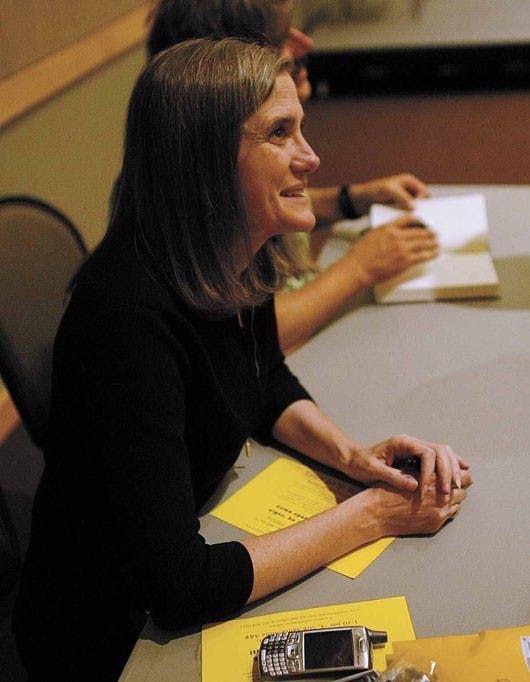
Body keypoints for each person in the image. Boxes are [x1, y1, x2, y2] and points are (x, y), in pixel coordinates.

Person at [13, 38, 470, 681]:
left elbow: (263, 378)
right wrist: (370, 515)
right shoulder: (124, 323)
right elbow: (179, 587)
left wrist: (351, 458)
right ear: (205, 164)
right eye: (280, 133)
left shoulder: (232, 247)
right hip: (108, 637)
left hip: (183, 554)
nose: (311, 158)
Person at [145, 0, 439, 354]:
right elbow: (240, 338)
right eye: (282, 36)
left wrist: (351, 199)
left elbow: (258, 203)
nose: (305, 44)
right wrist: (360, 267)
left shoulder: (213, 174)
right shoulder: (184, 196)